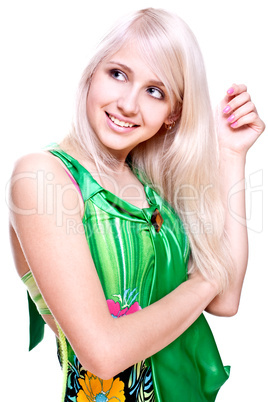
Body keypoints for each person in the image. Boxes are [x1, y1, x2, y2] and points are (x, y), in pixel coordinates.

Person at [8, 7, 265, 402]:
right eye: (118, 74)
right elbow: (104, 355)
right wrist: (210, 278)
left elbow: (226, 301)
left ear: (172, 114)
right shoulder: (42, 177)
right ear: (92, 72)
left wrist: (231, 155)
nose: (128, 104)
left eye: (154, 91)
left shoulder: (152, 186)